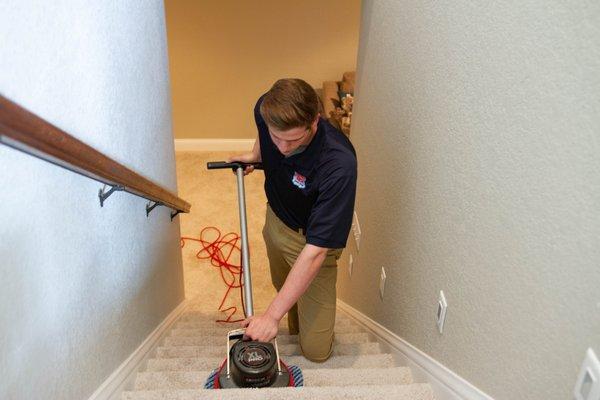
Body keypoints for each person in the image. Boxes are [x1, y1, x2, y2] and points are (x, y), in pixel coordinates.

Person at [229, 78, 357, 362]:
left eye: (294, 139)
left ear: (315, 121)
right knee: (285, 290)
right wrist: (256, 154)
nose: (284, 148)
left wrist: (272, 316)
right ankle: (295, 317)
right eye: (277, 138)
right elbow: (265, 133)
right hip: (275, 221)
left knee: (315, 352)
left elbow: (316, 251)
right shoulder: (266, 108)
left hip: (310, 242)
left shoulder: (338, 164)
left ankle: (304, 326)